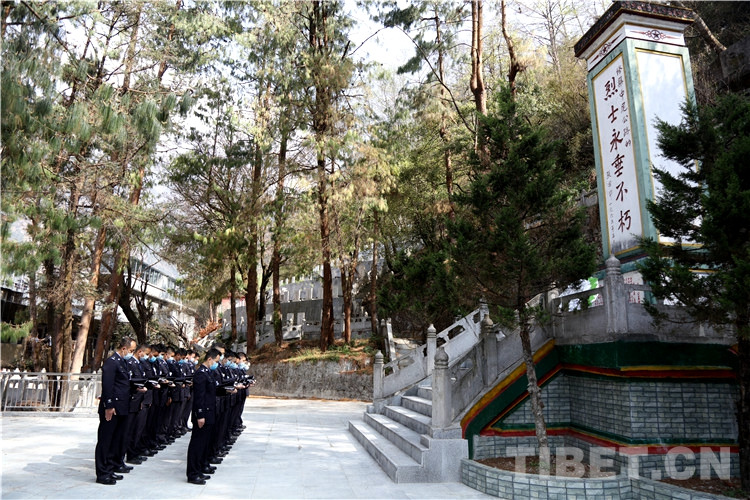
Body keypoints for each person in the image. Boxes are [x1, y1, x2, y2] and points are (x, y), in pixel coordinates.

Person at [95, 337, 136, 485]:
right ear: (124, 348)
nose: (131, 354)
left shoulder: (122, 362)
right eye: (131, 350)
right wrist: (109, 406)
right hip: (112, 408)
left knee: (115, 440)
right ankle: (102, 473)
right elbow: (108, 386)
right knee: (105, 440)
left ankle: (110, 468)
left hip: (121, 407)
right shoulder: (111, 362)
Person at [186, 348, 221, 485]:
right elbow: (199, 397)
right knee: (197, 444)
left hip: (210, 412)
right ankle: (193, 473)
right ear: (209, 359)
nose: (216, 364)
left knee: (205, 443)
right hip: (203, 414)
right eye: (216, 361)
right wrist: (200, 415)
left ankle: (199, 469)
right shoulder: (201, 374)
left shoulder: (208, 373)